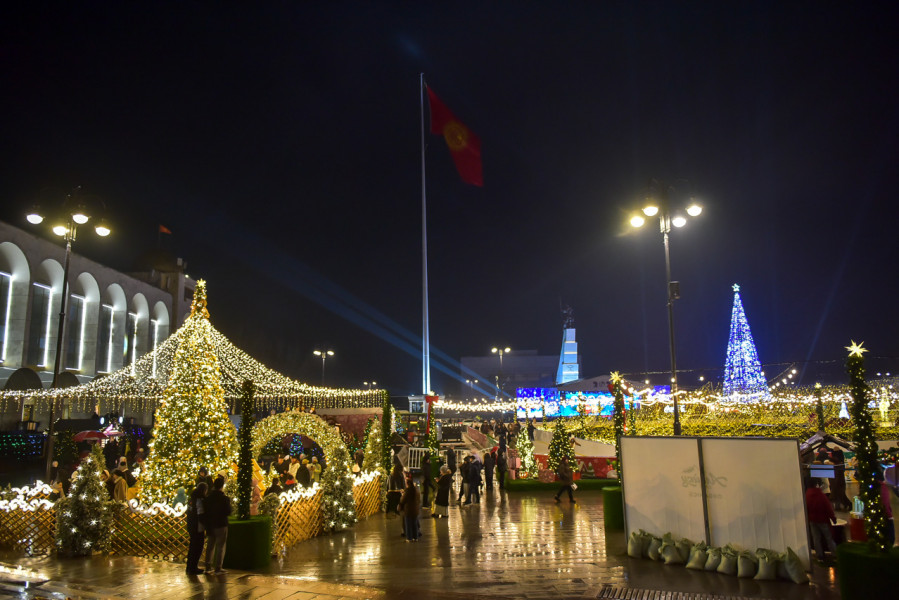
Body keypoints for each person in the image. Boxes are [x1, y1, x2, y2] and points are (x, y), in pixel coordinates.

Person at [203, 477, 231, 574]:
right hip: (221, 524)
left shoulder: (208, 498)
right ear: (222, 486)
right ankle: (218, 567)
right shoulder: (224, 499)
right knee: (220, 546)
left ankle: (207, 566)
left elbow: (205, 511)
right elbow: (228, 511)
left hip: (210, 524)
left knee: (210, 545)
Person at [805, 478, 838, 561]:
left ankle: (820, 555)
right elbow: (828, 507)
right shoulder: (820, 494)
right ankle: (835, 554)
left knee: (816, 538)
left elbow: (806, 508)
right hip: (823, 519)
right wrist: (833, 518)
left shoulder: (807, 495)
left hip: (812, 520)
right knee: (828, 537)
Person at [185, 482, 207, 575]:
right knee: (197, 547)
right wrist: (206, 524)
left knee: (192, 547)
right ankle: (193, 567)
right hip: (197, 527)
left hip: (191, 526)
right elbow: (200, 514)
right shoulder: (199, 500)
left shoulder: (191, 499)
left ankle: (189, 566)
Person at [398, 474, 421, 542]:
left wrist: (402, 495)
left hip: (408, 510)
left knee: (408, 524)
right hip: (415, 510)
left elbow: (403, 500)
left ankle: (409, 538)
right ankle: (415, 537)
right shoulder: (416, 490)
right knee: (414, 524)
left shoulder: (407, 491)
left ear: (407, 484)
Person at [829, 446, 851, 511]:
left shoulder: (836, 464)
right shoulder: (840, 462)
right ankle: (841, 506)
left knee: (839, 495)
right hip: (839, 481)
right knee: (840, 495)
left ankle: (840, 506)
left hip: (838, 481)